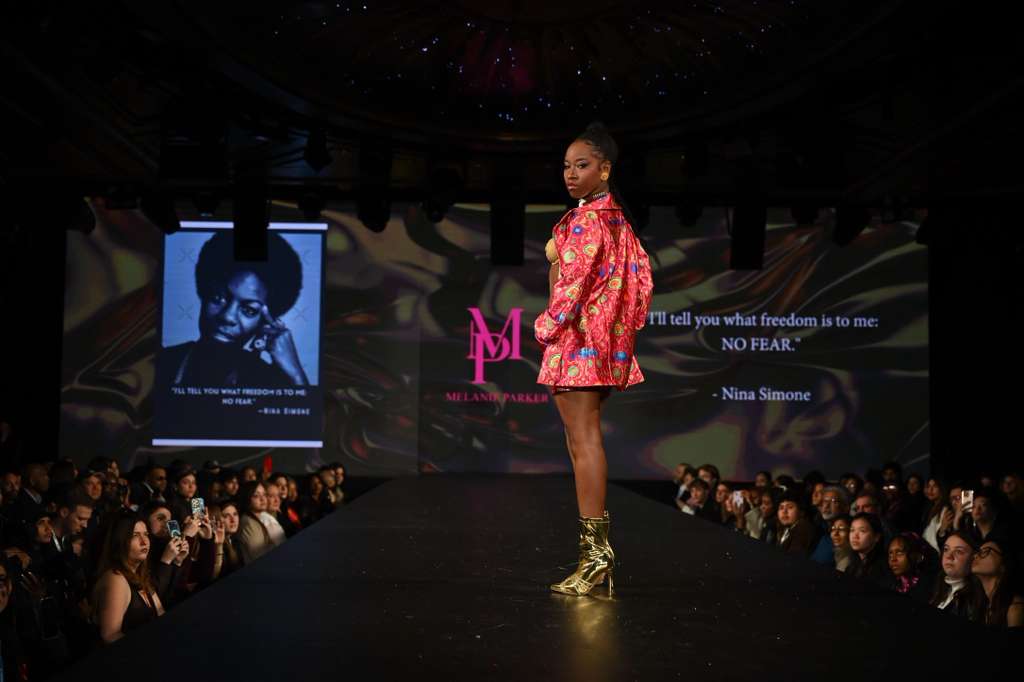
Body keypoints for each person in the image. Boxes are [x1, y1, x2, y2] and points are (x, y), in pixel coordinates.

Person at [535, 122, 653, 598]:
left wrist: (546, 327)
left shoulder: (587, 221)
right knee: (581, 441)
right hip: (599, 342)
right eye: (566, 166)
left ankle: (597, 559)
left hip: (577, 341)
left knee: (583, 442)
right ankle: (595, 557)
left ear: (605, 169)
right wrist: (618, 330)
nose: (570, 174)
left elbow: (570, 288)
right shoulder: (618, 221)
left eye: (581, 165)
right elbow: (642, 283)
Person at [157, 230, 308, 387]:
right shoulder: (164, 362)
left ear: (266, 323)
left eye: (249, 310)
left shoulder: (268, 381)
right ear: (204, 293)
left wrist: (296, 374)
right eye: (218, 298)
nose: (227, 317)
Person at [91, 513, 164, 642]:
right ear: (119, 541)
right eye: (135, 535)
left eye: (146, 534)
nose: (144, 542)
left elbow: (160, 613)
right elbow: (110, 636)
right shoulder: (115, 578)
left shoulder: (140, 575)